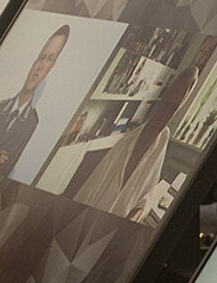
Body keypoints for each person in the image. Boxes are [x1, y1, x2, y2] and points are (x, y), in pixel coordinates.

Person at [72, 66, 200, 223]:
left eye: (174, 108)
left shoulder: (162, 138)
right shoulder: (125, 144)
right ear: (162, 99)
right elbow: (87, 195)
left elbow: (146, 194)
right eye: (167, 104)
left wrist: (134, 217)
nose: (166, 114)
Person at [0, 26, 69, 178]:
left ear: (52, 66)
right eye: (41, 57)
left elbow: (8, 166)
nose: (40, 66)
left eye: (49, 59)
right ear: (34, 61)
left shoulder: (31, 123)